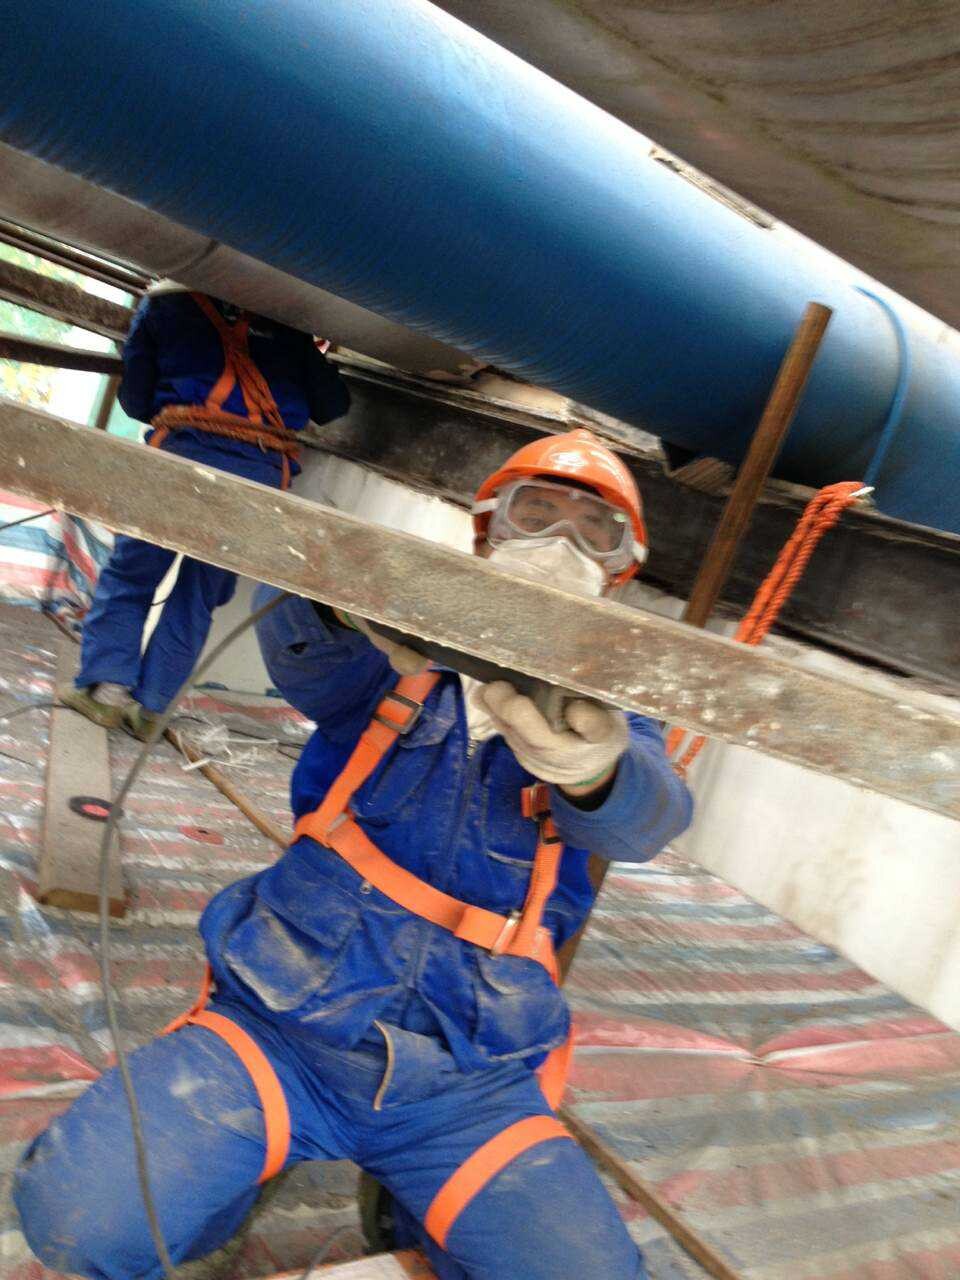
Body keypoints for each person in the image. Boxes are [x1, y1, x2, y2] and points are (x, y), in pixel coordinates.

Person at [16, 429, 692, 1279]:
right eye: (539, 512)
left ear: (619, 570)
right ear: (489, 530)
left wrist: (597, 772)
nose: (562, 541)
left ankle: (416, 1210)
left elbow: (645, 822)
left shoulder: (614, 714)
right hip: (280, 1025)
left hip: (468, 1082)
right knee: (80, 1220)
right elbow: (303, 656)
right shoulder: (396, 663)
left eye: (595, 530)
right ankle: (224, 1189)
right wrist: (352, 603)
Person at [61, 281, 350, 737]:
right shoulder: (288, 321)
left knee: (133, 575)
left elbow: (135, 400)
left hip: (181, 458)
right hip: (257, 477)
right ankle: (152, 711)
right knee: (197, 596)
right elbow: (333, 406)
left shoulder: (165, 303)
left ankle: (105, 694)